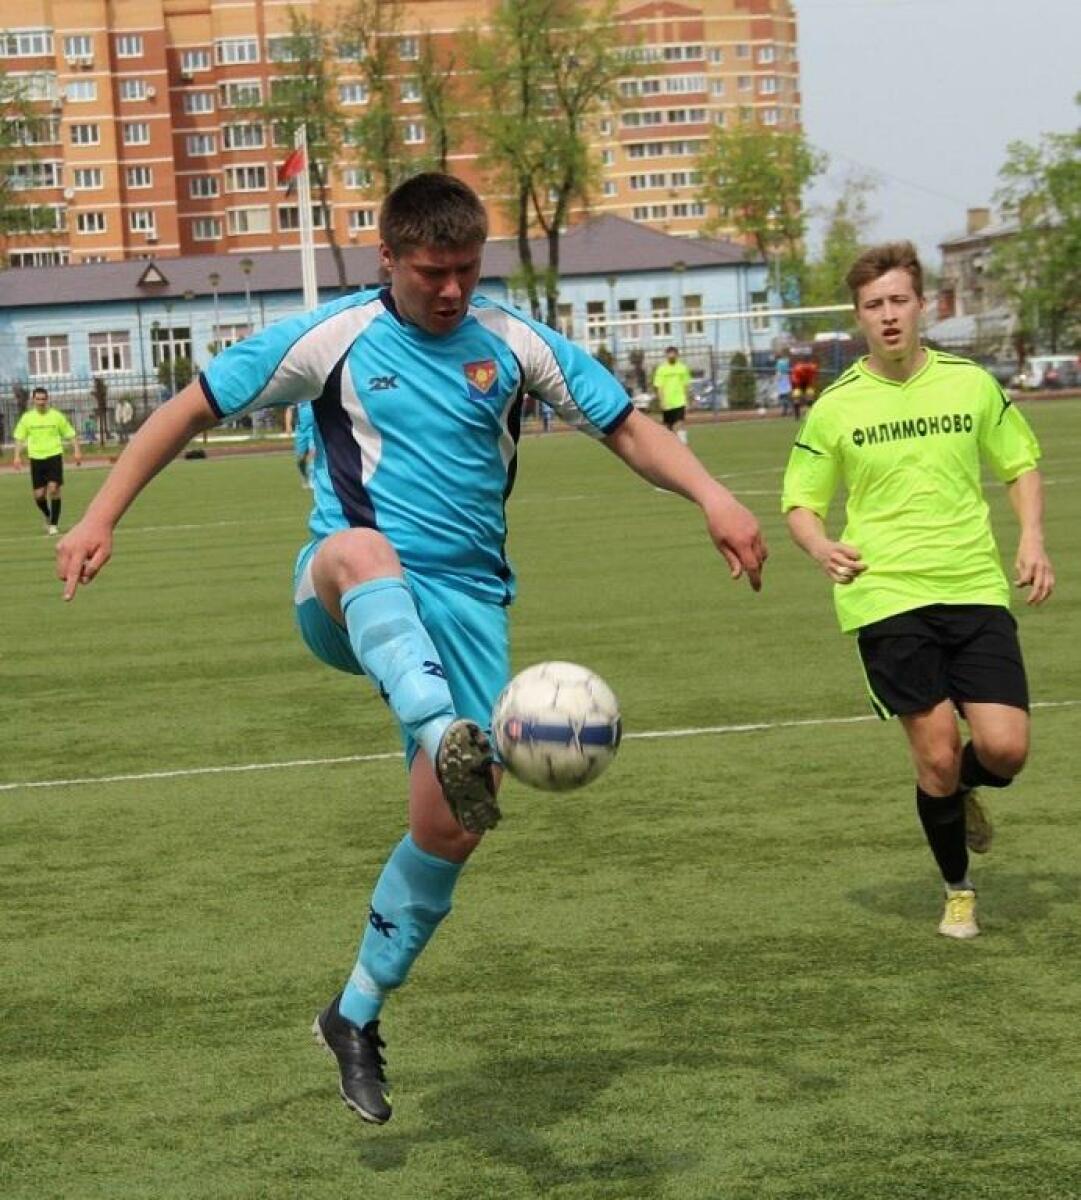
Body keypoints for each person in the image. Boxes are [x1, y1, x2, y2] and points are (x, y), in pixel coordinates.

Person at [56, 173, 767, 1127]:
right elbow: (189, 408)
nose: (452, 290)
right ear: (387, 258)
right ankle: (443, 734)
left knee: (449, 832)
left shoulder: (513, 343)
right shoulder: (335, 337)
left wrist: (714, 497)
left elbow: (625, 427)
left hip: (468, 611)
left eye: (467, 269)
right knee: (363, 548)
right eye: (433, 272)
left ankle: (353, 1013)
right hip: (347, 591)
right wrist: (99, 516)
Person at [781, 240, 1054, 941]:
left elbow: (1020, 465)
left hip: (972, 585)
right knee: (934, 756)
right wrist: (819, 546)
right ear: (858, 316)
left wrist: (1030, 538)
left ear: (921, 305)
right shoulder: (835, 407)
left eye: (899, 300)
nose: (888, 315)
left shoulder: (970, 384)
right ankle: (958, 890)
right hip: (886, 595)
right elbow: (801, 503)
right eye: (874, 305)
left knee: (1005, 750)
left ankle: (964, 789)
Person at [12, 386, 82, 534]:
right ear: (33, 400)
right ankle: (48, 514)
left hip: (54, 456)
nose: (41, 402)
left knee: (54, 489)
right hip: (36, 458)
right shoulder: (27, 418)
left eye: (43, 399)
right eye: (38, 399)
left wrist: (76, 451)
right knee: (39, 495)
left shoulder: (56, 416)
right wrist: (17, 456)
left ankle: (53, 525)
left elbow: (70, 434)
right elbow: (19, 438)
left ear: (47, 399)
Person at [651, 345, 692, 444]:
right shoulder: (662, 369)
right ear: (666, 355)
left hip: (680, 401)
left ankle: (683, 445)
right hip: (667, 402)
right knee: (668, 426)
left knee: (679, 423)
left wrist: (687, 401)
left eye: (673, 354)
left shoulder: (682, 368)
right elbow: (659, 386)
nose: (671, 356)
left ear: (677, 355)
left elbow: (686, 385)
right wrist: (661, 401)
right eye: (669, 354)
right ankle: (670, 444)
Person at [790, 354, 819, 421]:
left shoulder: (811, 367)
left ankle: (809, 414)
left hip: (807, 384)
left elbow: (812, 378)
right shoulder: (798, 368)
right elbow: (794, 379)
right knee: (797, 396)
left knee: (809, 395)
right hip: (799, 384)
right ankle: (797, 416)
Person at [293, 400, 315, 488]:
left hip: (314, 429)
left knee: (313, 453)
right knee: (300, 458)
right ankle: (304, 477)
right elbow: (289, 410)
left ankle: (312, 479)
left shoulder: (314, 394)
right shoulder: (298, 396)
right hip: (301, 430)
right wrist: (288, 426)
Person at [774, 352, 793, 416]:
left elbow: (778, 372)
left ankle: (785, 410)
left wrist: (776, 379)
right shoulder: (786, 361)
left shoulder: (779, 363)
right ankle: (789, 409)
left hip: (782, 379)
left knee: (783, 396)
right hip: (787, 378)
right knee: (787, 395)